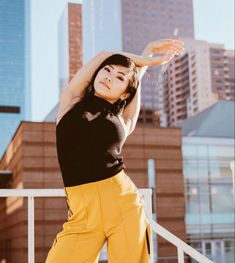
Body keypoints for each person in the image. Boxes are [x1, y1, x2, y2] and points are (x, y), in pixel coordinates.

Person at [45, 39, 185, 263]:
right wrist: (146, 52)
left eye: (120, 78)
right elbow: (104, 53)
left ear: (124, 95)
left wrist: (142, 64)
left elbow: (134, 80)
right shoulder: (71, 100)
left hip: (123, 204)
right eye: (107, 70)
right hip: (82, 213)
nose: (109, 76)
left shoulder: (123, 121)